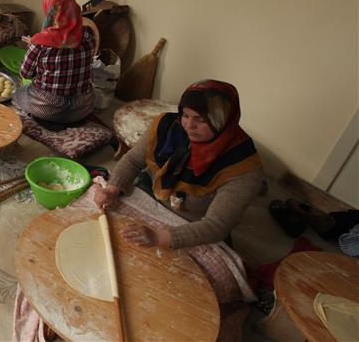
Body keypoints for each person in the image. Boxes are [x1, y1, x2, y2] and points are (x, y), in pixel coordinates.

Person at [94, 79, 264, 250]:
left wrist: (158, 237)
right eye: (185, 115)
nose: (189, 126)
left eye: (201, 120)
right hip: (152, 194)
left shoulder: (244, 168)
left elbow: (216, 226)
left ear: (221, 120)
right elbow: (133, 160)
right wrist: (112, 189)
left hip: (193, 223)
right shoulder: (166, 126)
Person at [12, 0, 95, 131]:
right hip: (81, 109)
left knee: (19, 92)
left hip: (48, 109)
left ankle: (43, 119)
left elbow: (25, 74)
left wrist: (33, 46)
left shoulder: (39, 43)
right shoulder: (89, 35)